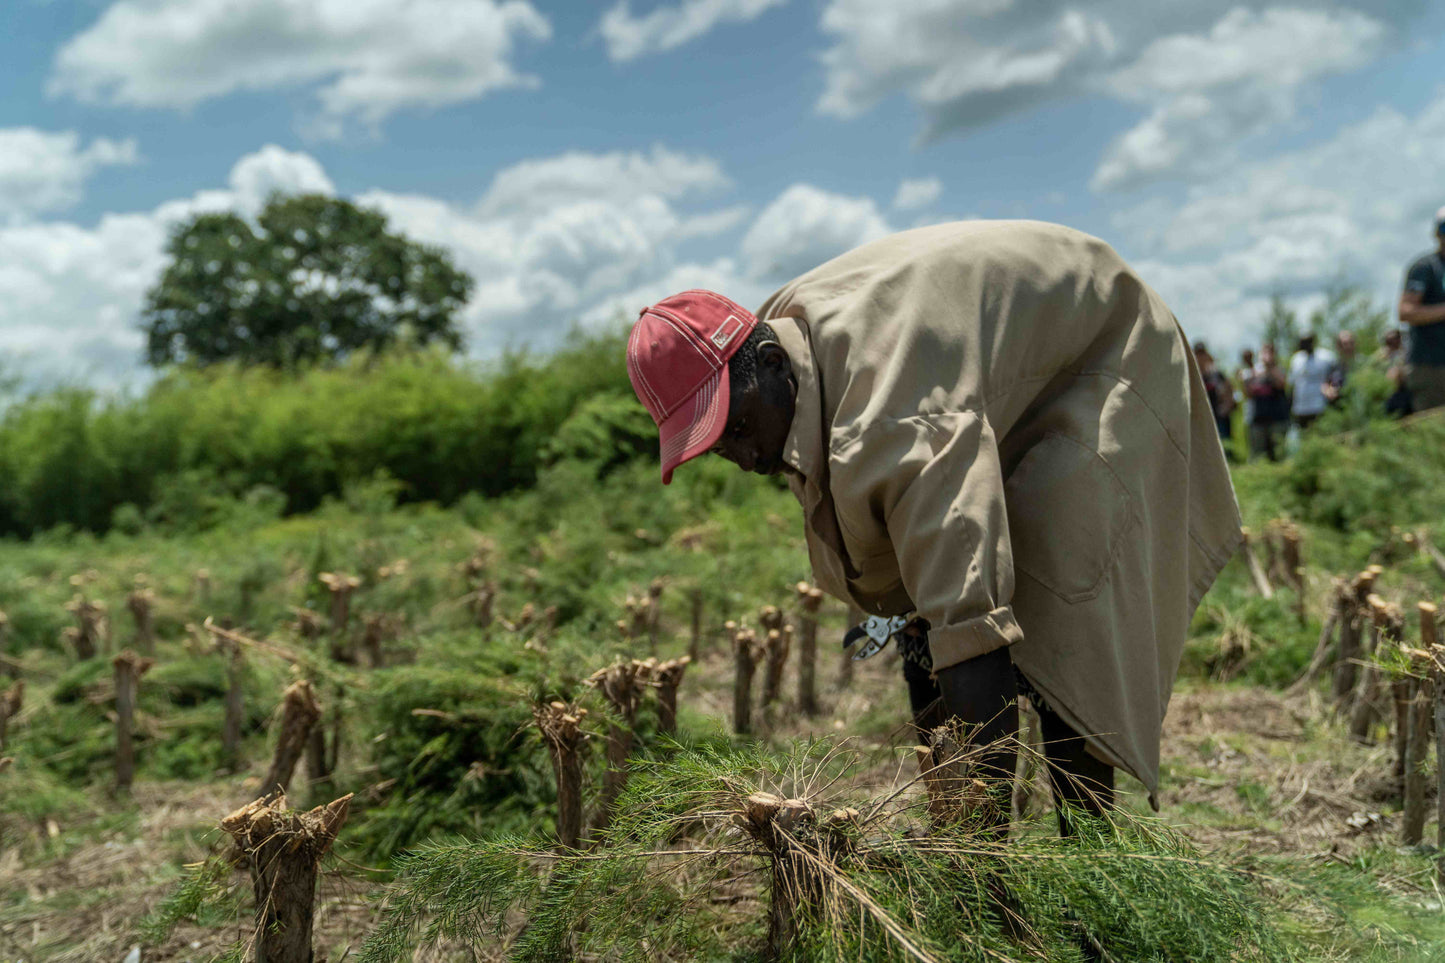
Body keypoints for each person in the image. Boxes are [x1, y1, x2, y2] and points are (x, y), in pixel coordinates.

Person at [625, 221, 1241, 835]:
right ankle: (974, 837)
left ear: (769, 362)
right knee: (926, 614)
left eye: (737, 428)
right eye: (716, 446)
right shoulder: (783, 348)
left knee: (1064, 608)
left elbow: (968, 629)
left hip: (1106, 349)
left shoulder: (891, 420)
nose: (744, 457)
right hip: (1004, 368)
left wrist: (976, 855)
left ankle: (1090, 856)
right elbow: (910, 577)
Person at [1398, 206, 1445, 411]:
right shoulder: (1425, 267)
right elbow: (1406, 312)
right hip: (1430, 367)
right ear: (1436, 233)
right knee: (1434, 426)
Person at [1245, 343, 1290, 461]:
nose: (1266, 355)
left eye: (1270, 352)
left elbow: (1282, 384)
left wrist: (1269, 368)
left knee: (1278, 454)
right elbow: (1248, 394)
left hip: (1277, 419)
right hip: (1258, 419)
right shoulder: (1254, 372)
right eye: (1264, 352)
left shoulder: (1279, 370)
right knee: (1258, 455)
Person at [1287, 333, 1336, 429]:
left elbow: (1335, 376)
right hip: (1300, 408)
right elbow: (1291, 383)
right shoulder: (1296, 359)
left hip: (1319, 406)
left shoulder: (1326, 357)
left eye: (1307, 342)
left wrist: (1332, 388)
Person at [1193, 341, 1235, 444]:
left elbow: (1229, 390)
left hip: (1219, 417)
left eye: (1203, 354)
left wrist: (1226, 406)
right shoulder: (1192, 376)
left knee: (1224, 444)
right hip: (1200, 417)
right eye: (1198, 354)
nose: (1201, 357)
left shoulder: (1217, 374)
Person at [1378, 328, 1412, 416]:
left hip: (1406, 390)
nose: (1393, 342)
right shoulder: (1380, 357)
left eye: (1395, 338)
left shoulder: (1408, 352)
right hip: (1390, 394)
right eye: (1389, 340)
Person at [1321, 330, 1356, 405]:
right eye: (1344, 344)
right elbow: (1324, 384)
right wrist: (1328, 391)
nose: (1348, 347)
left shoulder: (1362, 363)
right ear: (1338, 347)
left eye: (1351, 343)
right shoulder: (1333, 366)